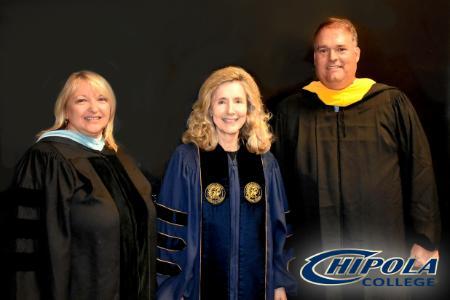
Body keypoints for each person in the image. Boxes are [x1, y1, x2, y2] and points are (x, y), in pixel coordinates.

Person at [273, 17, 441, 298]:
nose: (332, 58)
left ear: (357, 53)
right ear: (314, 57)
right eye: (323, 50)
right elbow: (276, 188)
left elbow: (419, 170)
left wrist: (424, 239)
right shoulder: (291, 112)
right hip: (315, 253)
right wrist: (279, 260)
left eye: (340, 49)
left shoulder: (389, 103)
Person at [1, 70, 156, 299]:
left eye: (102, 99)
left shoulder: (119, 157)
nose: (94, 108)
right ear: (65, 110)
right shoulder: (47, 159)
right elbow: (29, 248)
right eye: (82, 100)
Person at [156, 66, 295, 300]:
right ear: (209, 107)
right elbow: (170, 232)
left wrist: (279, 283)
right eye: (221, 101)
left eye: (238, 101)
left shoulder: (265, 163)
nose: (231, 110)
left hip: (257, 287)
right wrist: (173, 290)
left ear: (250, 108)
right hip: (197, 291)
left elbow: (279, 229)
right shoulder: (188, 160)